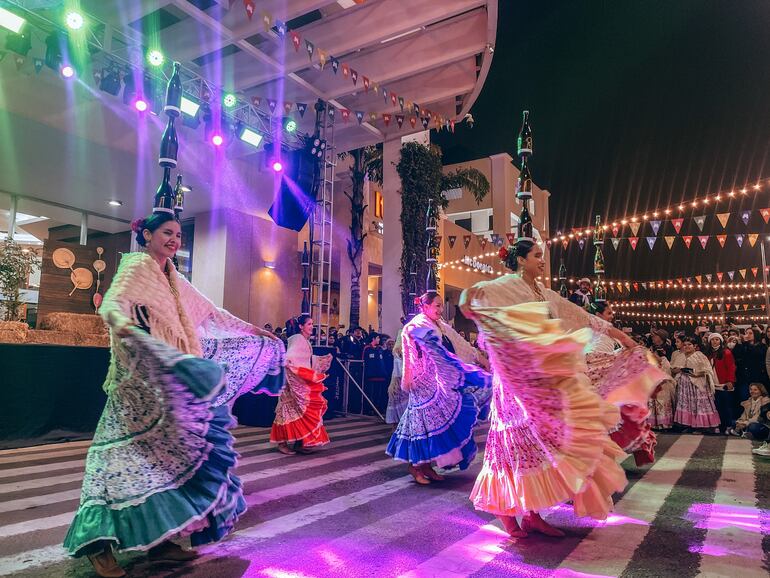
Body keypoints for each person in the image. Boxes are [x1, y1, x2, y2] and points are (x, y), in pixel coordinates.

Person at [64, 212, 280, 577]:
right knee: (115, 462)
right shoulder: (136, 268)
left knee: (166, 464)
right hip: (134, 384)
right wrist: (124, 325)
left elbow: (211, 312)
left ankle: (160, 541)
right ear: (146, 235)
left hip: (165, 387)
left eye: (179, 234)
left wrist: (254, 329)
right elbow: (113, 304)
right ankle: (96, 543)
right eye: (167, 233)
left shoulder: (174, 278)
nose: (174, 240)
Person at [459, 240, 644, 538]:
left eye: (541, 256)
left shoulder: (546, 294)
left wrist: (626, 339)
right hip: (515, 383)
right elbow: (474, 295)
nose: (542, 261)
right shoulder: (505, 286)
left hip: (541, 379)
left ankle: (532, 514)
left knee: (545, 443)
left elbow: (585, 318)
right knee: (514, 445)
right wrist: (476, 307)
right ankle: (506, 512)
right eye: (536, 256)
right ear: (520, 260)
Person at [386, 291, 491, 485]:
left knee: (436, 424)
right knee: (421, 425)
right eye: (437, 306)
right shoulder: (415, 326)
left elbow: (461, 344)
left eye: (441, 305)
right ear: (425, 307)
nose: (440, 309)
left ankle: (427, 466)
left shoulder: (440, 325)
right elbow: (409, 356)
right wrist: (408, 380)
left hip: (438, 381)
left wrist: (479, 358)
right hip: (421, 382)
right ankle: (415, 466)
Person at [271, 315, 332, 455]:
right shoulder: (299, 339)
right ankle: (282, 443)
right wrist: (296, 373)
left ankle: (299, 442)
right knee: (287, 411)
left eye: (312, 324)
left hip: (299, 381)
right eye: (309, 324)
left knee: (300, 412)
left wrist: (319, 361)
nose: (312, 326)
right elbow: (289, 359)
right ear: (301, 327)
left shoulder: (303, 340)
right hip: (292, 383)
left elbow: (305, 360)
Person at [671, 336, 720, 433]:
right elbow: (673, 369)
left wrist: (695, 372)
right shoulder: (680, 356)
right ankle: (690, 425)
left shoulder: (699, 355)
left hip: (698, 385)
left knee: (699, 406)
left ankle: (702, 427)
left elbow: (707, 370)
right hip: (685, 385)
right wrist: (680, 369)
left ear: (695, 346)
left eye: (689, 345)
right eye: (685, 345)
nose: (687, 347)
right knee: (689, 405)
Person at [707, 333, 737, 434]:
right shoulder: (708, 353)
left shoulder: (726, 352)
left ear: (721, 341)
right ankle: (718, 426)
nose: (715, 341)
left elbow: (731, 367)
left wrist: (730, 380)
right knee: (715, 406)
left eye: (717, 339)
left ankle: (728, 426)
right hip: (712, 384)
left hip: (723, 383)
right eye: (713, 340)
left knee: (726, 406)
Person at [733, 327, 769, 412]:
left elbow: (758, 356)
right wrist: (739, 343)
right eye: (746, 333)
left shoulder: (762, 346)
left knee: (759, 397)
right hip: (745, 375)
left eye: (750, 333)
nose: (747, 335)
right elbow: (736, 354)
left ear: (755, 334)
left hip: (758, 375)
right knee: (745, 396)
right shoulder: (743, 345)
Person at [385, 329, 409, 425]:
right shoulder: (397, 352)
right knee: (398, 404)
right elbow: (398, 370)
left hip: (403, 381)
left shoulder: (407, 350)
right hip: (399, 381)